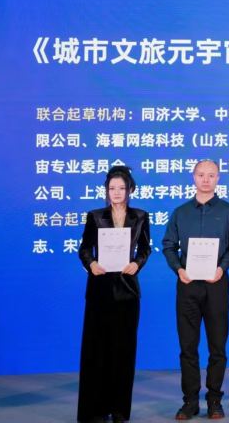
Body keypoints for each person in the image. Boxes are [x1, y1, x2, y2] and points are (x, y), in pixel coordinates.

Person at [162, 159, 229, 420]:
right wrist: (179, 269)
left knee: (217, 346)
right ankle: (190, 401)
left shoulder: (228, 211)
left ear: (218, 178)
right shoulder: (180, 212)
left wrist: (222, 267)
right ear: (194, 177)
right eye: (201, 174)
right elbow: (168, 245)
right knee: (188, 346)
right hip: (187, 285)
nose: (206, 179)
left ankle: (214, 400)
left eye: (211, 175)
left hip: (216, 285)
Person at [77, 165, 151, 423]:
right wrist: (91, 263)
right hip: (99, 289)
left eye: (121, 188)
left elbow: (145, 249)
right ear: (106, 191)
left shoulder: (140, 216)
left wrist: (137, 263)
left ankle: (119, 409)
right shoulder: (95, 216)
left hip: (127, 290)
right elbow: (84, 248)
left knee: (124, 350)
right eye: (112, 188)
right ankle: (96, 409)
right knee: (97, 350)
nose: (116, 192)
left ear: (130, 190)